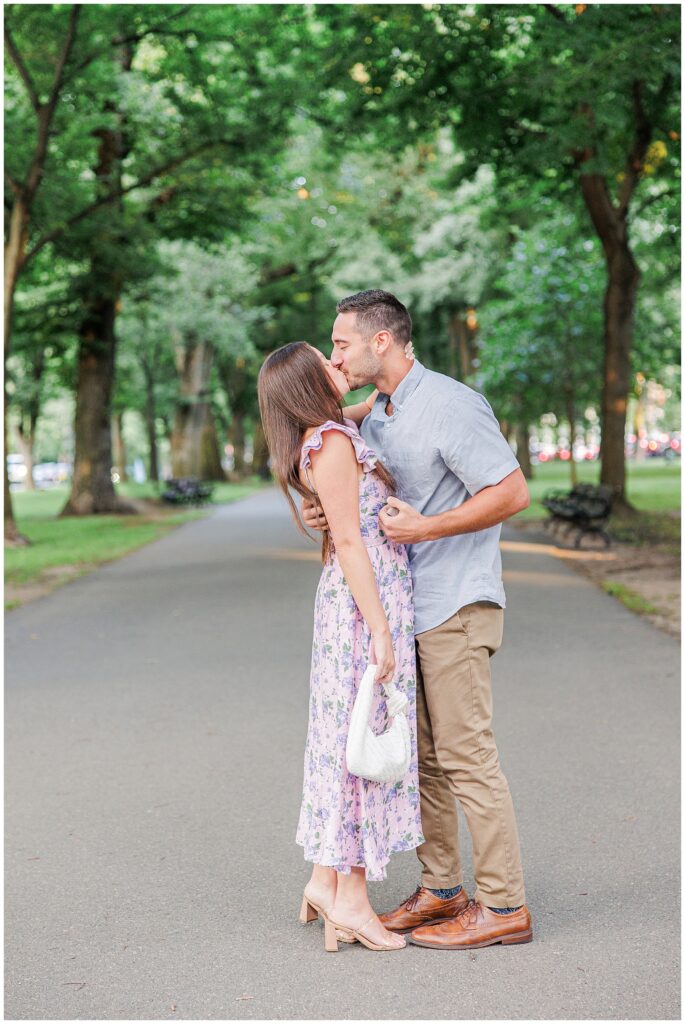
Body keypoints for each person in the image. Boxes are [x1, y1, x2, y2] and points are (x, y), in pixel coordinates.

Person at [302, 289, 534, 949]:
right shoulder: (379, 411)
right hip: (410, 608)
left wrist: (427, 527)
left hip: (456, 601)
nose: (335, 353)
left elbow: (511, 491)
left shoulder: (449, 404)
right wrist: (329, 510)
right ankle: (441, 889)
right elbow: (330, 455)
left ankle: (503, 905)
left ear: (382, 340)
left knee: (465, 755)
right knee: (424, 759)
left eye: (341, 342)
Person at [257, 340, 424, 953]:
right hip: (362, 607)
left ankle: (325, 879)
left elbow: (360, 410)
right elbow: (351, 543)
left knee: (343, 738)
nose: (339, 365)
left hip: (361, 600)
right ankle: (349, 901)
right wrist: (380, 628)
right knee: (359, 742)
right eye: (325, 362)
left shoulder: (328, 431)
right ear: (309, 383)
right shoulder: (328, 444)